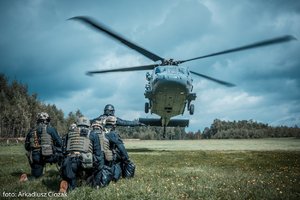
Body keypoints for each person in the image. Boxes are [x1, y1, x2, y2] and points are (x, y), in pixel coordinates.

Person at [59, 116, 104, 192]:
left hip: (70, 162)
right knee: (100, 163)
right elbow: (98, 153)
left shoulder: (69, 134)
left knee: (70, 184)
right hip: (86, 162)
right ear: (88, 124)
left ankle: (69, 185)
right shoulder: (93, 134)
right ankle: (95, 186)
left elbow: (64, 151)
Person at [20, 112, 63, 182]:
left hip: (35, 158)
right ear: (46, 121)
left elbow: (27, 147)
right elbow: (60, 143)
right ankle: (63, 174)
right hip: (49, 156)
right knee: (63, 154)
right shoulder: (51, 129)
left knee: (36, 177)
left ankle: (25, 177)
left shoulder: (31, 131)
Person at [101, 116, 135, 182]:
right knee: (122, 160)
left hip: (99, 158)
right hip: (109, 159)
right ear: (114, 125)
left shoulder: (100, 131)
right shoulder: (113, 134)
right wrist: (127, 159)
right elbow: (121, 148)